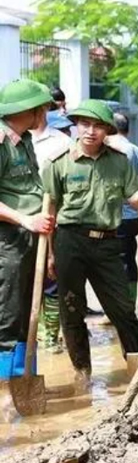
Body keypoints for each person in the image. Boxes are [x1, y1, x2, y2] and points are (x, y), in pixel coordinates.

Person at [43, 100, 138, 383]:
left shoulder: (120, 162)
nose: (90, 131)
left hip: (108, 243)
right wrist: (49, 254)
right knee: (71, 310)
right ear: (76, 126)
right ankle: (81, 373)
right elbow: (50, 210)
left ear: (107, 130)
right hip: (69, 241)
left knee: (123, 310)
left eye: (98, 126)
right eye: (84, 124)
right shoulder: (58, 163)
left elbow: (133, 200)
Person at [0, 79, 55, 379]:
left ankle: (25, 377)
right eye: (41, 108)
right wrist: (25, 220)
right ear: (27, 110)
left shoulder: (25, 141)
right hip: (8, 239)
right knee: (7, 312)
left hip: (32, 236)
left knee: (26, 312)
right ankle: (5, 386)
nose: (44, 114)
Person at [30, 109, 73, 351]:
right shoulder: (8, 139)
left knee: (52, 277)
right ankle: (28, 336)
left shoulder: (62, 142)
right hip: (19, 221)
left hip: (54, 217)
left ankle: (50, 336)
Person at [109, 112, 138, 302]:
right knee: (128, 259)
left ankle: (123, 307)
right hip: (132, 216)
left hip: (117, 216)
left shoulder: (114, 149)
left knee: (116, 263)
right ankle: (128, 303)